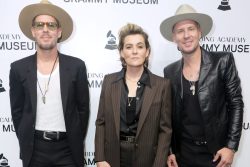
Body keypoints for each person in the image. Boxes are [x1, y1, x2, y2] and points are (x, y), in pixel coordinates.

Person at [160, 4, 244, 167]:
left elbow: (236, 104)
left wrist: (231, 147)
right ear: (174, 37)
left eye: (190, 29)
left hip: (216, 156)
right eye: (180, 31)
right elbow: (168, 117)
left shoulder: (222, 61)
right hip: (183, 156)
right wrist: (170, 151)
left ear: (199, 32)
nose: (186, 35)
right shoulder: (170, 71)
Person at [9, 1, 89, 167]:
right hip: (34, 149)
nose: (45, 29)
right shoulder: (18, 68)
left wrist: (74, 137)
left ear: (59, 32)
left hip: (68, 149)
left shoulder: (76, 66)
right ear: (33, 31)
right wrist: (26, 138)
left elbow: (83, 110)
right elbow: (17, 112)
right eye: (40, 25)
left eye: (51, 25)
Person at [95, 23, 172, 167]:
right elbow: (101, 122)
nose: (134, 51)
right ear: (121, 52)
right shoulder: (109, 81)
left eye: (140, 46)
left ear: (147, 51)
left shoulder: (162, 85)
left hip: (148, 159)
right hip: (113, 158)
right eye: (129, 47)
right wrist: (100, 158)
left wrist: (159, 163)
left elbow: (165, 130)